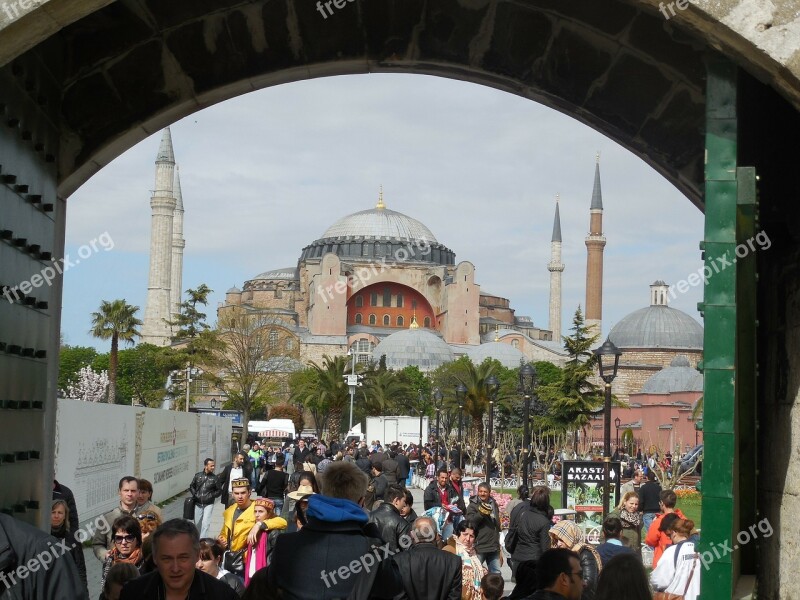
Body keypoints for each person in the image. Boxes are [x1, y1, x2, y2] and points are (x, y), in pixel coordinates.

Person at [266, 461, 401, 598]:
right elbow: (393, 590)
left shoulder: (284, 543)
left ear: (324, 493)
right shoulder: (372, 550)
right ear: (361, 502)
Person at [120, 518, 239, 600]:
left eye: (183, 558)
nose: (175, 568)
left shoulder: (223, 596)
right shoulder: (133, 593)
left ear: (197, 555)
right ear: (155, 558)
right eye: (167, 559)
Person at [217, 479, 285, 579]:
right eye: (236, 493)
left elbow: (282, 522)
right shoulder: (230, 511)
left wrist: (259, 525)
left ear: (249, 492)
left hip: (246, 561)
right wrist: (221, 540)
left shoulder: (257, 508)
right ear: (232, 494)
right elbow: (224, 533)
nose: (240, 496)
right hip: (229, 559)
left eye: (243, 493)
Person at [392, 516, 462, 600]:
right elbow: (454, 596)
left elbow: (399, 596)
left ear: (412, 535)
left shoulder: (398, 561)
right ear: (436, 536)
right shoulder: (454, 561)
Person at [506, 485, 552, 579]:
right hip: (533, 560)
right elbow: (544, 548)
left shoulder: (523, 514)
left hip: (518, 558)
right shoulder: (544, 521)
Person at [549, 520, 602, 600]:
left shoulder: (584, 553)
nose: (558, 544)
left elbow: (589, 582)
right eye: (556, 540)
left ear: (571, 538)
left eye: (562, 540)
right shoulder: (559, 555)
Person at [650, 518, 700, 600]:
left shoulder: (671, 551)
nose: (670, 539)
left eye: (669, 535)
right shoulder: (699, 550)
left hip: (676, 596)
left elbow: (659, 580)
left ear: (674, 533)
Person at [93, 476, 141, 561]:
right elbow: (98, 544)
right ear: (119, 492)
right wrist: (105, 555)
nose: (129, 494)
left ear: (138, 492)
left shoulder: (147, 516)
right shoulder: (107, 518)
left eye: (133, 491)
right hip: (114, 568)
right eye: (126, 490)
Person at [243, 498, 286, 586]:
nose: (257, 515)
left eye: (261, 512)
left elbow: (276, 557)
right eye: (255, 511)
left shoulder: (273, 533)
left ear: (269, 514)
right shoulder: (253, 528)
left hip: (265, 575)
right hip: (251, 574)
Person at [50, 499, 88, 597]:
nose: (56, 516)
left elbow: (80, 569)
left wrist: (84, 594)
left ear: (65, 516)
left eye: (60, 513)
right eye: (53, 512)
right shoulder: (40, 536)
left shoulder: (72, 539)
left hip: (67, 589)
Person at [443, 520, 487, 600]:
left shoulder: (473, 553)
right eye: (465, 534)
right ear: (458, 533)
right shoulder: (449, 550)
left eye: (471, 536)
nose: (468, 539)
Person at [100, 516, 145, 593]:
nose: (123, 542)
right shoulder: (110, 561)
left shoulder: (145, 560)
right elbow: (104, 593)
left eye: (129, 537)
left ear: (137, 539)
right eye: (119, 538)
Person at [466, 483, 503, 574]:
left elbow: (496, 525)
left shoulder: (493, 503)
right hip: (480, 546)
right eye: (480, 491)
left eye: (485, 492)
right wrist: (481, 513)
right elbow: (470, 523)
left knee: (496, 574)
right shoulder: (472, 506)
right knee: (475, 573)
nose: (482, 494)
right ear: (477, 492)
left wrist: (499, 548)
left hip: (493, 546)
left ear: (489, 493)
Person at [645, 489, 686, 568]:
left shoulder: (659, 521)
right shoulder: (683, 519)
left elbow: (650, 540)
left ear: (662, 503)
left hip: (662, 560)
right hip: (680, 560)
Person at [369, 484, 411, 553]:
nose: (404, 505)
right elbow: (407, 552)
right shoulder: (402, 523)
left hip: (368, 562)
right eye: (404, 501)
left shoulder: (368, 517)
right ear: (396, 500)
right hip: (393, 562)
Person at [189, 458, 222, 538]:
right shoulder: (198, 476)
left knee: (206, 523)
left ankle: (203, 541)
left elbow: (219, 490)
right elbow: (191, 486)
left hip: (209, 504)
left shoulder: (215, 478)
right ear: (206, 466)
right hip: (198, 503)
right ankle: (197, 538)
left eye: (214, 466)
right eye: (211, 466)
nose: (213, 467)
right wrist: (195, 494)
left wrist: (211, 495)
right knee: (197, 523)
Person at [638, 470, 662, 535]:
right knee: (657, 531)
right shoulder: (659, 488)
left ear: (646, 478)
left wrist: (640, 509)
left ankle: (651, 544)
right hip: (657, 512)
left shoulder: (643, 488)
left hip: (647, 512)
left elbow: (641, 501)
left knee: (651, 532)